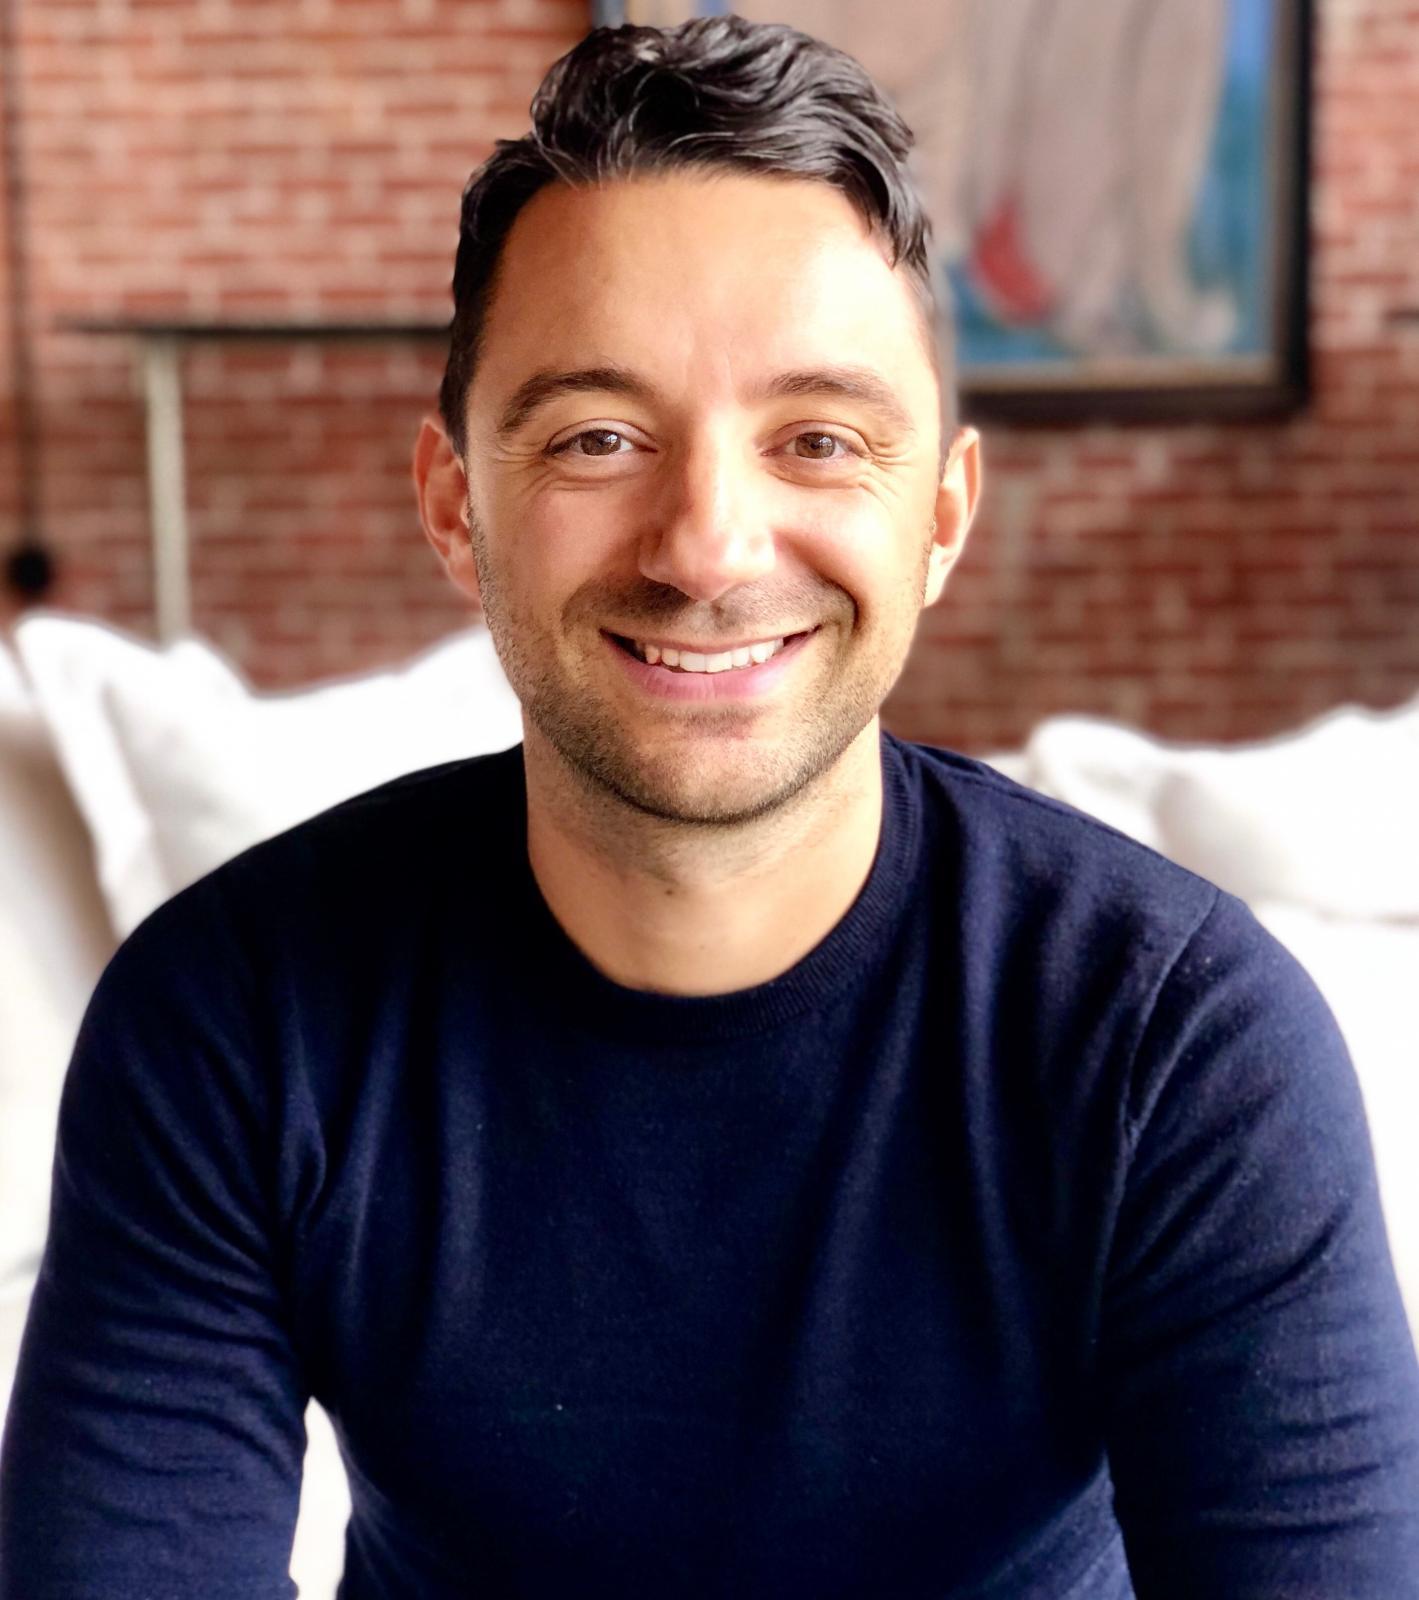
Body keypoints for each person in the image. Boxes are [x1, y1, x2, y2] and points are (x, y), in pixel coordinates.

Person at [2, 15, 1417, 1599]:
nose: (709, 544)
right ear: (457, 504)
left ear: (939, 516)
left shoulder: (1184, 1048)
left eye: (818, 439)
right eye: (600, 437)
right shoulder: (232, 1025)